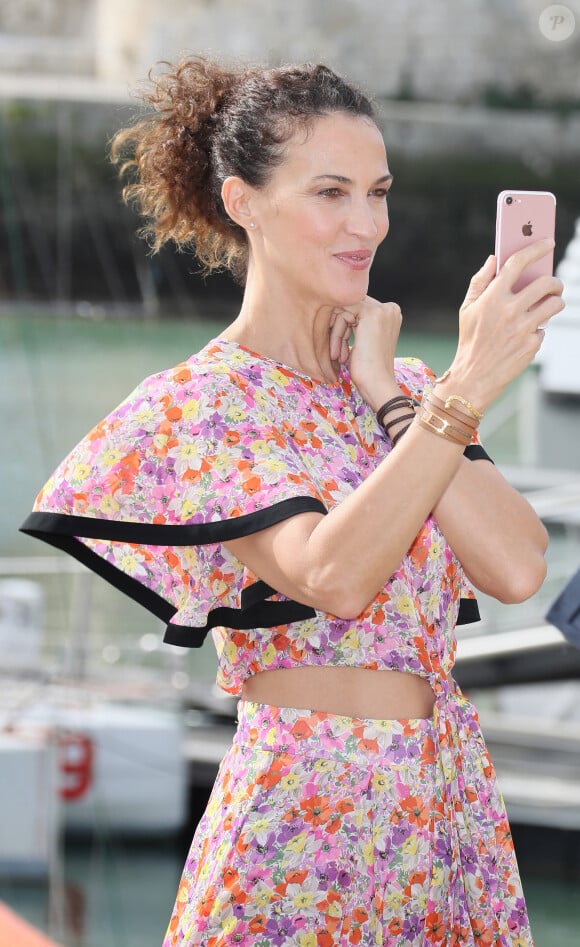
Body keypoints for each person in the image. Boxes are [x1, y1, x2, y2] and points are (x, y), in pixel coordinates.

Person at [21, 57, 564, 946]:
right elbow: (334, 574)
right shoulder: (201, 404)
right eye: (331, 192)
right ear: (244, 203)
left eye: (379, 192)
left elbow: (516, 565)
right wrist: (462, 389)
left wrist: (395, 394)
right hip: (302, 817)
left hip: (444, 809)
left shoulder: (411, 393)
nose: (366, 224)